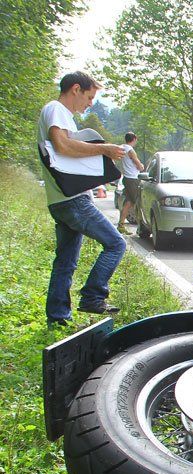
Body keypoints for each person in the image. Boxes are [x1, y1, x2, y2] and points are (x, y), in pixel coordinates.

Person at [38, 71, 127, 327]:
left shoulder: (61, 114)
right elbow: (62, 146)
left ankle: (58, 319)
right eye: (89, 97)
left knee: (65, 262)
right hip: (74, 201)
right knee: (116, 244)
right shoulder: (56, 109)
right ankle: (92, 296)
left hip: (59, 200)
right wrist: (103, 149)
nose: (89, 104)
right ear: (76, 89)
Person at [116, 132, 144, 233]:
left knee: (128, 203)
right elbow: (138, 164)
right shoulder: (130, 150)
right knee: (138, 202)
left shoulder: (122, 148)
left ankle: (121, 225)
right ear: (134, 139)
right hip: (133, 179)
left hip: (126, 178)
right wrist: (142, 166)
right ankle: (141, 227)